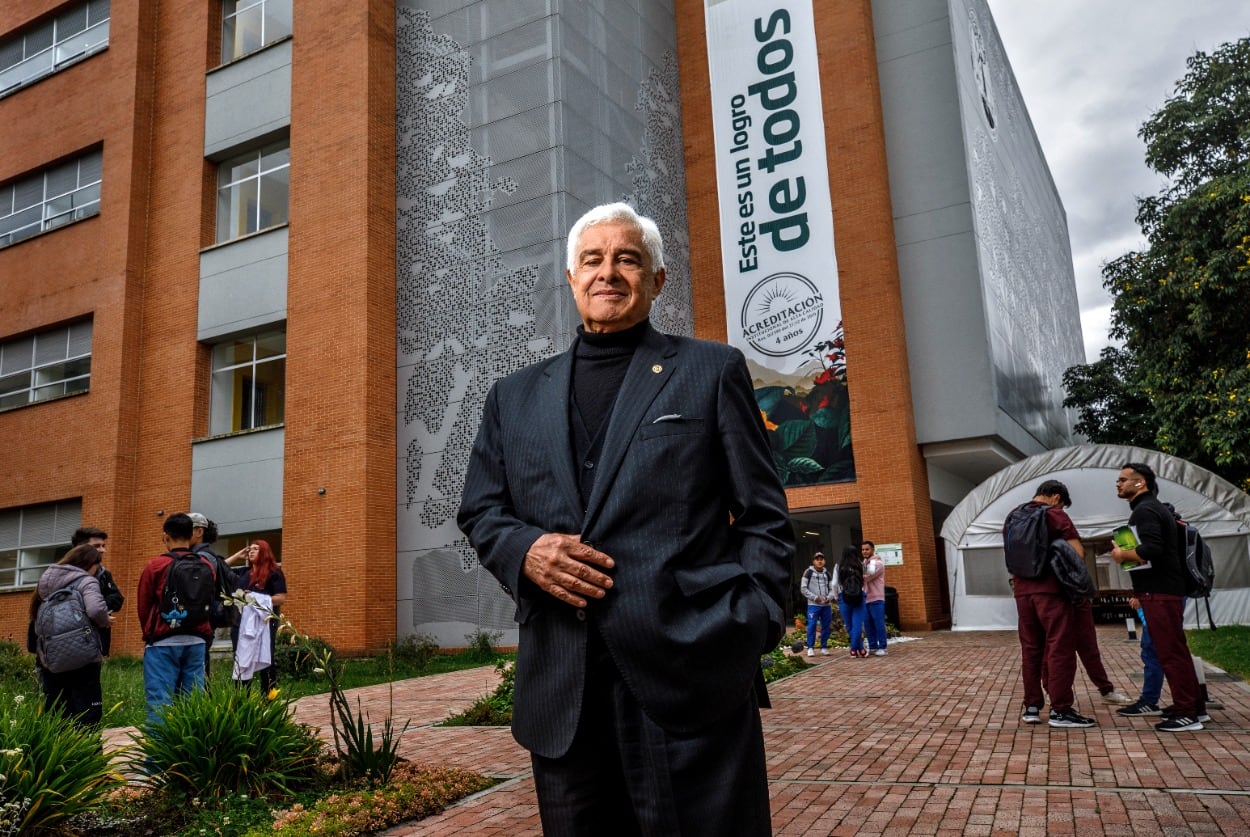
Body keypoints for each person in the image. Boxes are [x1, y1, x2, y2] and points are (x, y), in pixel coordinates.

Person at [457, 202, 793, 835]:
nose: (607, 271)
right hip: (564, 694)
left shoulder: (709, 370)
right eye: (592, 259)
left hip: (693, 676)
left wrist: (755, 623)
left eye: (627, 258)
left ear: (657, 279)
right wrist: (525, 550)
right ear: (571, 276)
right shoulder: (514, 396)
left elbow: (763, 515)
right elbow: (481, 508)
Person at [1110, 462, 1204, 732]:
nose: (1118, 484)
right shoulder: (1151, 508)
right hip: (1163, 590)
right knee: (1174, 650)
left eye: (1123, 480)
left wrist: (1121, 555)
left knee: (1170, 652)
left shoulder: (1146, 510)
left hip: (1160, 591)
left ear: (1141, 483)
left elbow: (1152, 548)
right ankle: (1192, 706)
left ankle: (1188, 712)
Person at [1006, 479, 1095, 728]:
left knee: (1031, 648)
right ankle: (1061, 710)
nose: (1062, 509)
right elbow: (1077, 552)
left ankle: (1032, 707)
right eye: (1063, 504)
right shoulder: (1055, 515)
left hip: (1022, 591)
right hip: (1052, 591)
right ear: (1056, 497)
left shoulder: (1013, 515)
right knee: (1060, 647)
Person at [136, 512, 214, 724]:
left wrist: (151, 632)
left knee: (160, 702)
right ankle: (188, 754)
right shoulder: (206, 566)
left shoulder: (156, 566)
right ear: (191, 535)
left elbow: (144, 605)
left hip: (162, 642)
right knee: (193, 703)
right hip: (197, 641)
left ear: (165, 536)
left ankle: (159, 756)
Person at [28, 544, 113, 727]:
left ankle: (63, 753)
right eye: (96, 566)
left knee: (59, 713)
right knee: (88, 712)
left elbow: (36, 619)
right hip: (84, 657)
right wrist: (105, 620)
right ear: (89, 564)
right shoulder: (86, 581)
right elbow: (96, 609)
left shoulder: (47, 580)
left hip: (53, 659)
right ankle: (88, 753)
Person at [226, 539, 287, 692]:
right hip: (240, 625)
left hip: (264, 624)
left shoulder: (274, 573)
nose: (251, 551)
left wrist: (254, 598)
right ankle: (242, 700)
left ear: (264, 552)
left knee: (267, 660)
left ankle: (268, 698)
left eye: (256, 549)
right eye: (249, 549)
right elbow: (220, 568)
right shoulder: (243, 573)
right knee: (241, 660)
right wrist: (238, 555)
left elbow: (281, 598)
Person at [69, 526, 124, 656]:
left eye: (103, 545)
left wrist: (98, 607)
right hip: (70, 643)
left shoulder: (103, 574)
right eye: (97, 546)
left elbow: (117, 599)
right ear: (79, 548)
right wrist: (93, 608)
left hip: (99, 642)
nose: (102, 550)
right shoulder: (63, 574)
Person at [834, 545, 868, 657]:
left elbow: (834, 583)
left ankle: (854, 649)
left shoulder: (839, 566)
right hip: (859, 596)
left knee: (849, 625)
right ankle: (859, 649)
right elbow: (867, 578)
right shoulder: (861, 565)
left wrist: (836, 596)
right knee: (857, 624)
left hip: (844, 596)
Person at [800, 551, 834, 656]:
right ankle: (810, 647)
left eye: (821, 559)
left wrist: (829, 597)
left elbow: (833, 588)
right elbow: (803, 588)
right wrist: (814, 598)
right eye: (817, 559)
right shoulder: (808, 572)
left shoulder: (827, 574)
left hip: (826, 606)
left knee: (826, 626)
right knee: (812, 625)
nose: (819, 561)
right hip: (813, 605)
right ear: (813, 561)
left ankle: (824, 647)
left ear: (824, 561)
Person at [862, 540, 888, 656]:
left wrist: (854, 576)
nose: (864, 551)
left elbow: (867, 577)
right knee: (868, 624)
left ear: (872, 550)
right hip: (866, 598)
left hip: (876, 598)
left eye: (867, 549)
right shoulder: (864, 563)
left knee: (878, 623)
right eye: (862, 549)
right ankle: (873, 646)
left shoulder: (877, 564)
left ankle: (882, 647)